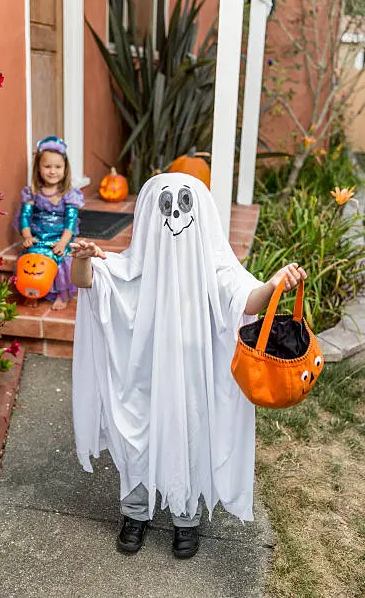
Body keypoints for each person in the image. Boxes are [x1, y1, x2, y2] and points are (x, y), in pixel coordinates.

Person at [70, 173, 306, 559]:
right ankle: (136, 511)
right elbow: (89, 282)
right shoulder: (132, 268)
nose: (175, 214)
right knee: (137, 436)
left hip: (193, 377)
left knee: (190, 434)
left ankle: (185, 516)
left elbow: (247, 301)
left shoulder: (216, 270)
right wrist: (81, 261)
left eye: (185, 204)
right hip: (142, 376)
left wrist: (275, 283)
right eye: (166, 206)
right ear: (149, 214)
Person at [16, 135, 85, 310]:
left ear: (65, 169)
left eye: (57, 167)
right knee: (30, 256)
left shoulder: (69, 194)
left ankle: (62, 294)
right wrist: (27, 236)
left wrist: (63, 242)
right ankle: (32, 292)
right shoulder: (32, 192)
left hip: (59, 237)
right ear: (38, 168)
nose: (52, 171)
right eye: (47, 166)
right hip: (38, 236)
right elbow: (24, 217)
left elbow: (70, 222)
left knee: (61, 258)